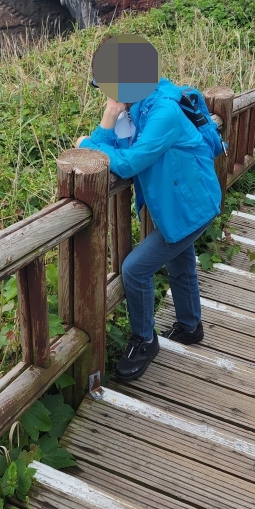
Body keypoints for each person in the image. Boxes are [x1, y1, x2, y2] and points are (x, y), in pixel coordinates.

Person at [78, 35, 222, 382]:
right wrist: (110, 118)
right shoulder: (138, 105)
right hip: (179, 206)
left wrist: (92, 138)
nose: (107, 94)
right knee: (181, 264)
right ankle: (190, 327)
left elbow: (127, 164)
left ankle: (144, 340)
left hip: (190, 209)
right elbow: (112, 148)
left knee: (135, 270)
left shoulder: (163, 111)